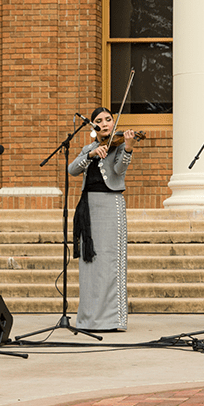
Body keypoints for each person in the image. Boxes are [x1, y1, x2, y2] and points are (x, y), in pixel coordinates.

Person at [68, 107, 138, 332]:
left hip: (110, 205)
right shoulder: (88, 148)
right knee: (90, 264)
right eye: (100, 120)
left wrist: (128, 147)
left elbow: (119, 170)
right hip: (88, 207)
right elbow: (72, 170)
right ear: (93, 125)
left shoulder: (118, 146)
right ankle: (88, 319)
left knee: (110, 261)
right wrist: (90, 154)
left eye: (109, 119)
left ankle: (113, 319)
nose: (106, 123)